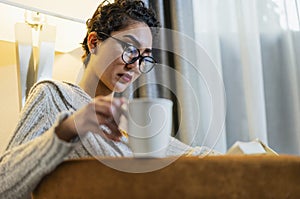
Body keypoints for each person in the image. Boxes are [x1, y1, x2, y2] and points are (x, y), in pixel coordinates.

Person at [0, 0, 220, 198]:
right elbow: (4, 184)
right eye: (130, 48)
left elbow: (193, 156)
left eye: (144, 57)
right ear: (94, 42)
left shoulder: (133, 120)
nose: (135, 65)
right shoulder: (53, 96)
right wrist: (68, 129)